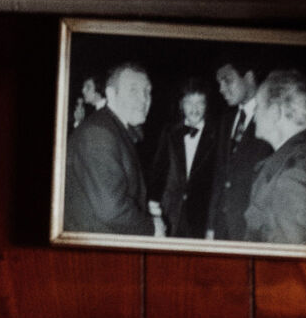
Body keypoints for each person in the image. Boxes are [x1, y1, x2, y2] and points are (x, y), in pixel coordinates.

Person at [62, 60, 156, 236]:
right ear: (111, 94)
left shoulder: (113, 128)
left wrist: (143, 206)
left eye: (147, 91)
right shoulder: (99, 132)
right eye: (133, 90)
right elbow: (111, 209)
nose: (144, 99)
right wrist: (152, 227)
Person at [242, 69, 306, 247]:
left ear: (276, 112)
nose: (254, 115)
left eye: (258, 107)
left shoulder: (293, 174)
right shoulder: (299, 158)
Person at [205, 57, 271, 241]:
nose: (221, 89)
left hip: (252, 232)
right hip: (221, 229)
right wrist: (211, 226)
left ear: (249, 77)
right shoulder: (226, 121)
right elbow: (219, 177)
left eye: (227, 80)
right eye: (219, 83)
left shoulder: (271, 117)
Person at [151, 83, 217, 237]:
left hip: (201, 216)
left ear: (206, 106)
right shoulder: (169, 132)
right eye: (189, 102)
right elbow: (158, 170)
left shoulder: (217, 134)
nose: (194, 108)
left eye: (200, 102)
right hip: (170, 212)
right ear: (181, 105)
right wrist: (154, 205)